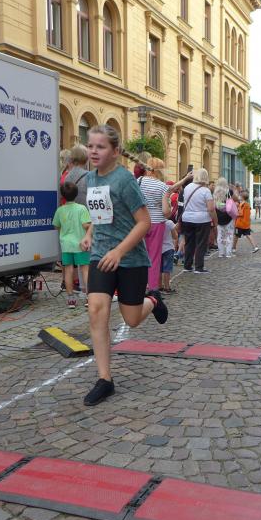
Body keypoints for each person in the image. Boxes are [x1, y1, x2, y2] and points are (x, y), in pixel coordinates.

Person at [81, 125, 168, 406]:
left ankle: (153, 300)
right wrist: (89, 234)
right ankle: (105, 379)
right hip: (100, 255)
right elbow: (100, 215)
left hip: (130, 258)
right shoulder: (90, 179)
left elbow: (145, 222)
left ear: (115, 151)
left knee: (131, 319)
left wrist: (119, 251)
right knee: (96, 311)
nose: (94, 151)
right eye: (90, 146)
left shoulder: (124, 180)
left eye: (100, 146)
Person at [53, 182, 92, 309]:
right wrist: (93, 225)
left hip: (66, 245)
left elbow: (56, 226)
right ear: (76, 194)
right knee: (85, 269)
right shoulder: (82, 208)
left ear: (63, 196)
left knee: (68, 270)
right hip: (81, 244)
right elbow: (86, 225)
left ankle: (71, 299)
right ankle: (88, 297)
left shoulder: (60, 210)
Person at [139, 158, 171, 290]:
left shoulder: (138, 181)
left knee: (140, 254)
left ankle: (139, 285)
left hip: (140, 221)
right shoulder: (163, 186)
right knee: (154, 256)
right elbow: (165, 211)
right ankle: (152, 287)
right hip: (157, 223)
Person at [181, 168, 216, 273]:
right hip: (202, 219)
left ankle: (187, 265)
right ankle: (199, 267)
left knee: (189, 242)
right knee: (201, 243)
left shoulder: (187, 187)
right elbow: (210, 208)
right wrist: (214, 219)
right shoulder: (206, 190)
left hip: (187, 218)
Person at [214, 180, 235, 258]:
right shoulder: (229, 191)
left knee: (220, 235)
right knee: (229, 234)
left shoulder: (215, 193)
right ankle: (228, 253)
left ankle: (221, 253)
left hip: (218, 216)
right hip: (228, 216)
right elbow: (235, 199)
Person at [160, 218, 177, 294]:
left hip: (158, 248)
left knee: (159, 269)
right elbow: (175, 236)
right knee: (167, 269)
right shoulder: (169, 223)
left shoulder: (154, 221)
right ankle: (167, 288)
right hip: (168, 248)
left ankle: (159, 287)